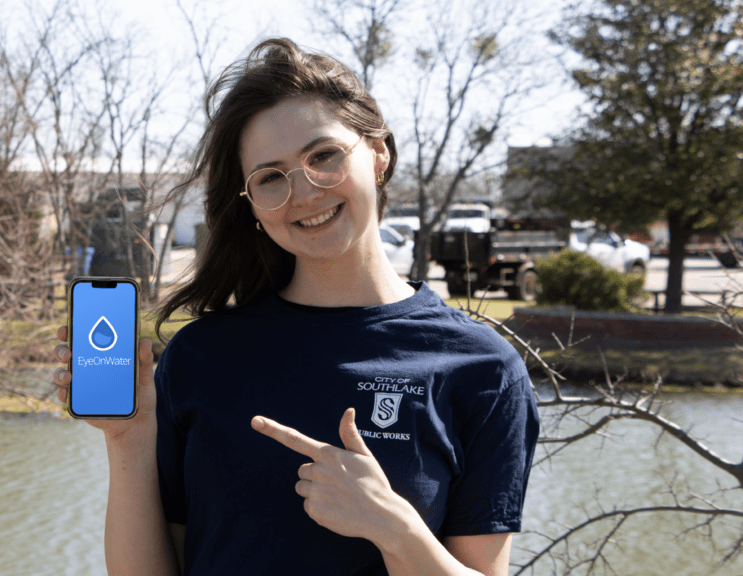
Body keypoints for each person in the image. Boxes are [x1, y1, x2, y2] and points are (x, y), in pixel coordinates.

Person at [52, 37, 539, 576]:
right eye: (270, 177)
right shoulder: (200, 356)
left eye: (323, 155)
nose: (303, 191)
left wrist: (394, 528)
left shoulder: (484, 368)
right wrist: (128, 442)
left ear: (378, 153)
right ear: (252, 206)